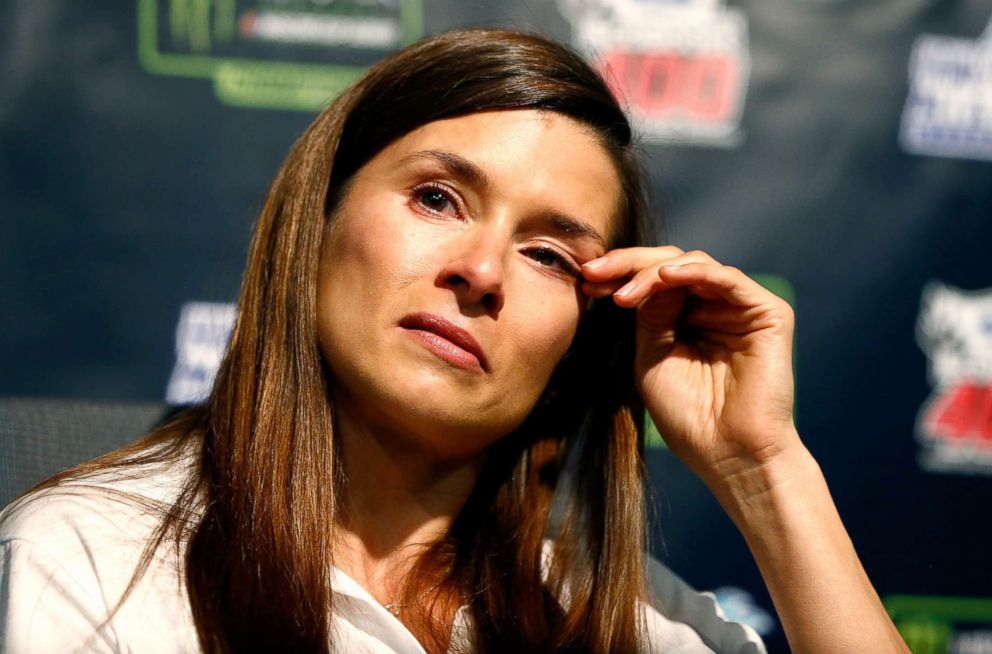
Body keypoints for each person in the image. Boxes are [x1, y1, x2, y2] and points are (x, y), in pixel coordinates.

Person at [0, 29, 908, 654]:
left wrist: (763, 469)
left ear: (581, 341)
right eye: (438, 198)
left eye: (550, 254)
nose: (482, 270)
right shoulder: (92, 558)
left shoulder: (613, 611)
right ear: (316, 222)